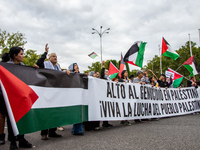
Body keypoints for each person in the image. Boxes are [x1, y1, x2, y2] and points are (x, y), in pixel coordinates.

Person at [3, 47, 33, 150]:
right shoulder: (5, 67)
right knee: (12, 120)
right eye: (21, 54)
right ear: (14, 56)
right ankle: (12, 142)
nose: (23, 56)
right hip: (10, 98)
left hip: (21, 97)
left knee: (22, 118)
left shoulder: (23, 67)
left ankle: (21, 139)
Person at [36, 44, 62, 140]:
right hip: (47, 90)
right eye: (53, 56)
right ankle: (44, 133)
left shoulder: (58, 66)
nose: (55, 58)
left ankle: (52, 131)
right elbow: (39, 63)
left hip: (56, 91)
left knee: (54, 112)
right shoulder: (46, 64)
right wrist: (45, 53)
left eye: (56, 56)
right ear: (49, 58)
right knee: (46, 112)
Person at [68, 63, 84, 135]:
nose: (76, 67)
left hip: (79, 95)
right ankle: (76, 130)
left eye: (77, 66)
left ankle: (77, 130)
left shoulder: (80, 74)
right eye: (75, 66)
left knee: (79, 112)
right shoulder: (71, 74)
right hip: (73, 95)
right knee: (76, 112)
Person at [100, 61, 113, 127]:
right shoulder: (103, 78)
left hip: (108, 94)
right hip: (104, 94)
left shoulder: (109, 78)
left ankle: (106, 122)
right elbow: (102, 74)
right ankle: (104, 122)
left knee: (108, 108)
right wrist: (103, 66)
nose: (108, 73)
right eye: (107, 72)